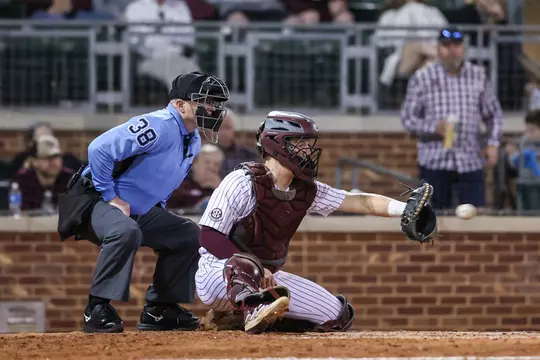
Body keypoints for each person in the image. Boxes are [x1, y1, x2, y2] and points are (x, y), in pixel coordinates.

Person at [194, 111, 437, 334]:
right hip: (218, 276)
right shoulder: (242, 181)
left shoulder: (306, 190)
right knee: (245, 268)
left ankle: (242, 320)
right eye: (301, 143)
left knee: (336, 315)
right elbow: (208, 236)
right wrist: (255, 267)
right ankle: (250, 308)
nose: (308, 151)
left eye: (309, 144)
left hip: (265, 281)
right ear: (278, 143)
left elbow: (360, 202)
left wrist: (404, 209)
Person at [57, 71, 230, 334]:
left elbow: (160, 180)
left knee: (189, 235)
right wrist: (110, 196)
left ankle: (160, 309)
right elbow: (99, 149)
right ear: (180, 104)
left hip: (135, 208)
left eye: (216, 103)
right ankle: (96, 308)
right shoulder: (159, 124)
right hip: (93, 200)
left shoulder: (192, 138)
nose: (213, 108)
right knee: (125, 231)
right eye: (206, 101)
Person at [401, 26, 503, 210]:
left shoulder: (478, 75)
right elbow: (408, 118)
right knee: (436, 219)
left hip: (470, 159)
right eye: (446, 45)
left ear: (463, 48)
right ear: (438, 49)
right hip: (435, 161)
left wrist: (493, 143)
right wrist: (433, 127)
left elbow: (493, 114)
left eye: (456, 45)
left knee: (474, 217)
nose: (452, 50)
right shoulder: (423, 77)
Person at [12, 134, 73, 211]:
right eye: (47, 158)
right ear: (34, 161)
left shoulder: (71, 180)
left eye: (56, 156)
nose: (53, 162)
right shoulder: (22, 180)